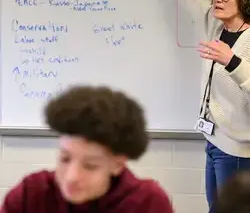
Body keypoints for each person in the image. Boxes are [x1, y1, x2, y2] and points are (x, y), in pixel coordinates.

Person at [157, 0, 250, 213]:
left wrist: (233, 62)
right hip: (214, 141)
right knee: (214, 208)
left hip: (239, 150)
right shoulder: (216, 26)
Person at [1, 86, 173, 213]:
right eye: (65, 159)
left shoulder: (147, 203)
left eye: (90, 165)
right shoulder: (31, 194)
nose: (71, 177)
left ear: (118, 164)